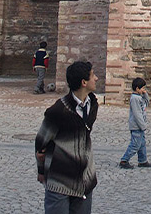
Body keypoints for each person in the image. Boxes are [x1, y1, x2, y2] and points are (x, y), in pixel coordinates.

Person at [35, 60, 99, 214]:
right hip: (60, 182)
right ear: (84, 82)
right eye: (93, 75)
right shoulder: (57, 112)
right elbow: (40, 144)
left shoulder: (93, 104)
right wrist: (42, 172)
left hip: (85, 181)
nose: (96, 78)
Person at [119, 77, 151, 169]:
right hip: (136, 126)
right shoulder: (134, 99)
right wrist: (143, 126)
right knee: (135, 145)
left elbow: (147, 102)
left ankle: (143, 160)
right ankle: (124, 160)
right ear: (137, 88)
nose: (144, 90)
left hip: (140, 126)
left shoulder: (140, 97)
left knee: (142, 144)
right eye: (142, 88)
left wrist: (145, 94)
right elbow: (137, 113)